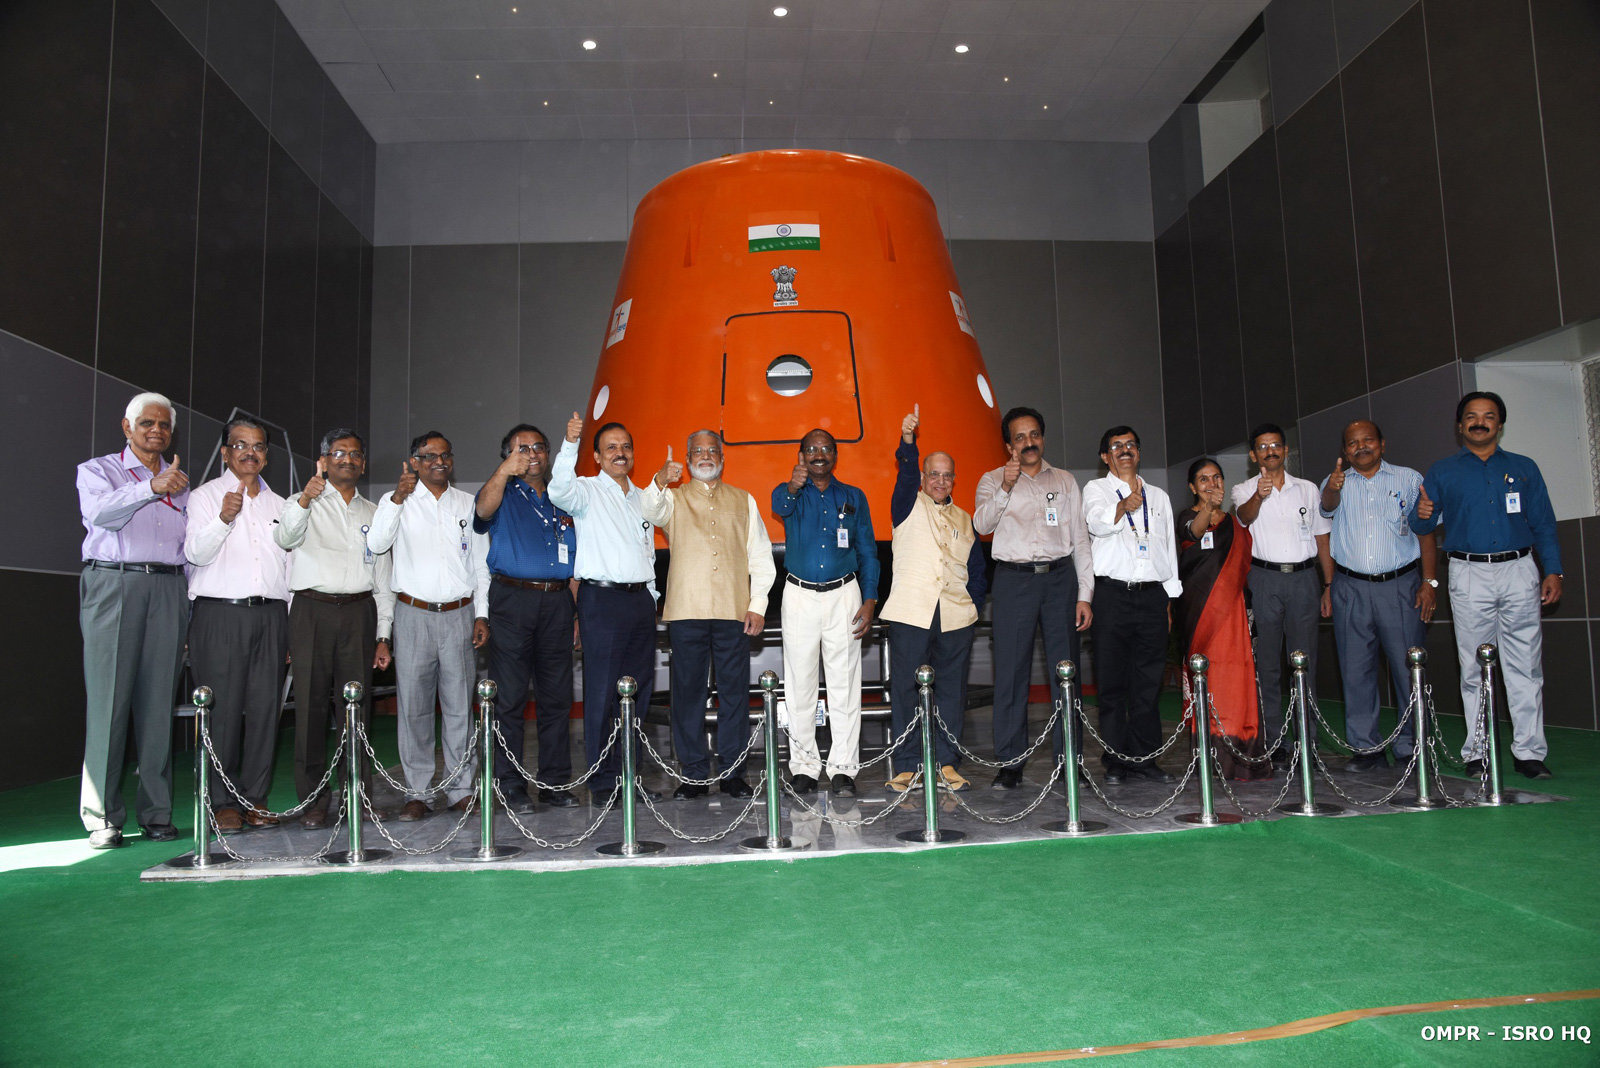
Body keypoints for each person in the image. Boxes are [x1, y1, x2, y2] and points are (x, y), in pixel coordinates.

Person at [1410, 392, 1560, 779]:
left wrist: (1553, 571)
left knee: (1525, 666)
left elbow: (1543, 523)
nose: (1480, 422)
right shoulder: (1442, 471)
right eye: (1472, 416)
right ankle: (1478, 752)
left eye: (1489, 416)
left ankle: (1529, 753)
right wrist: (1422, 514)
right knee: (1474, 665)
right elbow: (1422, 525)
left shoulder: (1524, 468)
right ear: (1460, 426)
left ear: (1500, 424)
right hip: (1468, 572)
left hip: (1519, 569)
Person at [76, 392, 190, 848]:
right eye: (147, 423)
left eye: (164, 425)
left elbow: (187, 545)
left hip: (168, 588)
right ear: (127, 428)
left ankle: (156, 813)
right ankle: (102, 817)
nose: (156, 431)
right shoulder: (98, 471)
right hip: (115, 583)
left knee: (159, 705)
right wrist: (150, 487)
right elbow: (100, 514)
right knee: (108, 702)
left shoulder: (181, 481)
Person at [641, 431, 775, 800]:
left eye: (711, 451)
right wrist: (659, 480)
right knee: (687, 695)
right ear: (687, 460)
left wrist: (758, 604)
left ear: (722, 458)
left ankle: (733, 773)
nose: (705, 456)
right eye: (697, 451)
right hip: (687, 610)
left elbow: (761, 555)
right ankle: (694, 775)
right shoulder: (672, 497)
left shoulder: (743, 499)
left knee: (734, 694)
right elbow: (648, 511)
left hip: (734, 610)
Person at [273, 429, 395, 828]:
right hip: (311, 609)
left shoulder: (374, 512)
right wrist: (305, 500)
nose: (348, 460)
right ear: (324, 460)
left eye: (355, 454)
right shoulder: (301, 501)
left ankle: (357, 794)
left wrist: (383, 635)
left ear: (364, 463)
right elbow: (284, 537)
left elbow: (383, 578)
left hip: (359, 612)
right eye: (339, 453)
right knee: (309, 707)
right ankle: (313, 799)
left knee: (355, 709)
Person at [366, 432, 489, 821]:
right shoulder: (395, 501)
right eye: (430, 455)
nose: (439, 461)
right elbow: (377, 544)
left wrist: (482, 613)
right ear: (414, 462)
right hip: (413, 614)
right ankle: (416, 792)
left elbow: (480, 565)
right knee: (414, 708)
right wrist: (398, 498)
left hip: (460, 615)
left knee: (459, 707)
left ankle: (461, 789)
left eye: (445, 454)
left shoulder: (467, 503)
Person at [974, 405, 1095, 789]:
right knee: (1011, 673)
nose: (1029, 443)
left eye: (1034, 435)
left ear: (1043, 438)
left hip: (1060, 581)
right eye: (1020, 437)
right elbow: (981, 524)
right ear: (1009, 445)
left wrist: (1085, 594)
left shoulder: (1065, 480)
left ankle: (1070, 760)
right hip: (1013, 582)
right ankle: (1010, 762)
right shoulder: (992, 479)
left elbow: (1080, 540)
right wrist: (1007, 487)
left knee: (1066, 672)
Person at [184, 416, 291, 831]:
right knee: (222, 711)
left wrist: (288, 626)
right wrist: (223, 519)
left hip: (271, 615)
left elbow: (289, 568)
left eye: (258, 446)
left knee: (265, 710)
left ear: (266, 455)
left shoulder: (281, 505)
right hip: (220, 613)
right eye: (240, 445)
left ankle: (255, 798)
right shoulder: (205, 497)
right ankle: (222, 800)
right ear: (226, 452)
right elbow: (195, 554)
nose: (250, 452)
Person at [548, 412, 660, 801]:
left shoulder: (641, 498)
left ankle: (630, 776)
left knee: (638, 692)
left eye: (626, 446)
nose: (620, 453)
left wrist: (652, 597)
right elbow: (557, 490)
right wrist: (570, 443)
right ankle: (601, 782)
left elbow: (647, 552)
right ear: (596, 456)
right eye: (611, 447)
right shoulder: (585, 490)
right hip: (602, 600)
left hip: (640, 602)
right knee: (602, 693)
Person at [474, 424, 580, 813]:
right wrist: (505, 470)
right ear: (507, 455)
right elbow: (482, 512)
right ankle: (510, 784)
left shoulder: (563, 497)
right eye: (522, 448)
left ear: (548, 454)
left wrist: (575, 614)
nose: (532, 454)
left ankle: (555, 783)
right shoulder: (501, 490)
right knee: (510, 697)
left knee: (557, 698)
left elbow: (576, 561)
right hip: (513, 600)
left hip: (558, 602)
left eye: (538, 447)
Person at [881, 406, 987, 793]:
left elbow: (977, 572)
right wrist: (908, 441)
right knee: (906, 690)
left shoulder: (965, 519)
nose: (940, 481)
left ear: (954, 479)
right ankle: (907, 765)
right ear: (923, 478)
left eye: (947, 475)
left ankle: (947, 763)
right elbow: (906, 473)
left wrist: (972, 606)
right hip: (911, 613)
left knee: (952, 692)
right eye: (934, 474)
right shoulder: (906, 504)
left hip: (956, 617)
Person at [1319, 420, 1435, 772]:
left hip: (1400, 586)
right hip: (1350, 588)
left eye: (1367, 440)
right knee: (1356, 671)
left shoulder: (1409, 479)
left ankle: (1411, 747)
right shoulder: (1335, 482)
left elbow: (1426, 531)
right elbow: (1326, 507)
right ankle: (1365, 748)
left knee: (1407, 668)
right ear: (1345, 451)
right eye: (1353, 443)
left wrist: (1429, 582)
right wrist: (1333, 488)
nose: (1361, 446)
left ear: (1382, 444)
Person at [771, 428, 880, 798]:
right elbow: (780, 505)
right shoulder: (790, 493)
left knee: (844, 685)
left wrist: (870, 598)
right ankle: (804, 768)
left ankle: (843, 769)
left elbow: (867, 550)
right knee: (798, 685)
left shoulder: (853, 496)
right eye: (811, 449)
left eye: (826, 449)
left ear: (835, 455)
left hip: (845, 595)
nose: (819, 455)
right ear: (801, 455)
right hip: (799, 595)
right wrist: (793, 485)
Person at [1082, 426, 1181, 784]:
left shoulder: (1159, 496)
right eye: (1116, 446)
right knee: (1112, 682)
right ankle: (1116, 760)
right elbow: (1096, 523)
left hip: (1152, 596)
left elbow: (1167, 548)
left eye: (1130, 445)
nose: (1125, 450)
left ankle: (1145, 759)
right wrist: (1123, 505)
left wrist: (1169, 599)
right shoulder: (1096, 489)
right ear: (1105, 457)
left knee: (1149, 682)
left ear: (1138, 452)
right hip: (1112, 595)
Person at [1231, 423, 1333, 765]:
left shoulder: (1307, 489)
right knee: (1268, 665)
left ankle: (1307, 742)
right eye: (1262, 447)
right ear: (1253, 455)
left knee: (1303, 662)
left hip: (1304, 579)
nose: (1270, 451)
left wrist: (1329, 584)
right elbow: (1243, 518)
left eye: (1275, 445)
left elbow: (1321, 538)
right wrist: (1259, 496)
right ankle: (1274, 742)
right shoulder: (1244, 489)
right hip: (1264, 579)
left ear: (1285, 450)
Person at [1174, 458, 1270, 781]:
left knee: (1237, 680)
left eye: (1216, 478)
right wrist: (1208, 508)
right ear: (1192, 486)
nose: (1211, 484)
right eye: (1203, 479)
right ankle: (1210, 756)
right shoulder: (1186, 517)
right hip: (1202, 618)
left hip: (1234, 616)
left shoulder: (1233, 523)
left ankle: (1243, 754)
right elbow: (1195, 531)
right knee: (1210, 678)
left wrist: (1256, 497)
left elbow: (1246, 519)